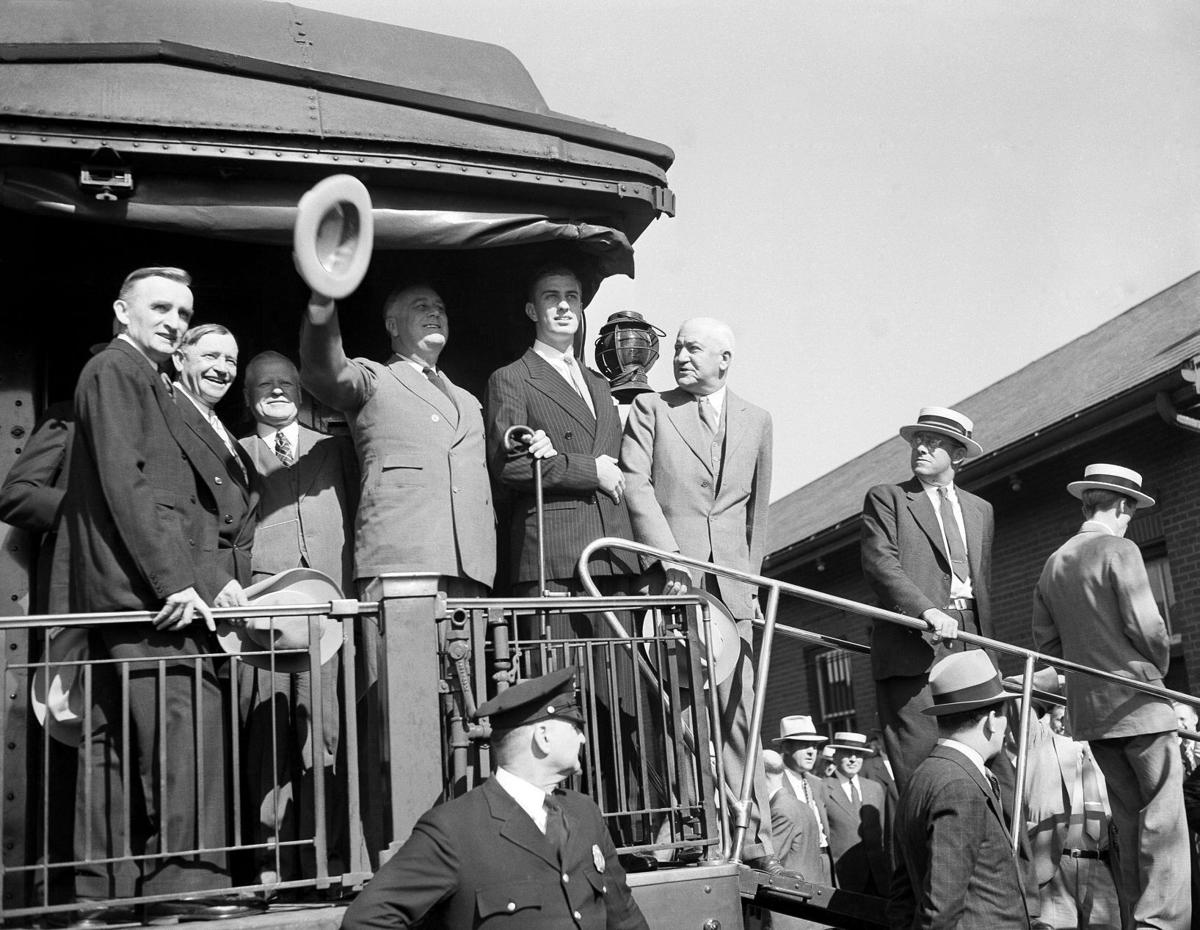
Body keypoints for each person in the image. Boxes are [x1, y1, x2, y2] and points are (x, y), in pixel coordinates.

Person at [60, 268, 257, 921]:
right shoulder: (117, 372)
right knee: (185, 734)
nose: (174, 320)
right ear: (123, 310)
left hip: (137, 593)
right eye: (162, 307)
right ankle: (187, 884)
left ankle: (102, 895)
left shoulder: (137, 376)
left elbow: (162, 500)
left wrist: (204, 581)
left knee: (116, 745)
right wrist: (177, 584)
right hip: (148, 599)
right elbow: (133, 487)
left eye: (183, 310)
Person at [620, 317, 778, 872]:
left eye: (693, 349)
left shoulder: (757, 421)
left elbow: (758, 512)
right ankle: (682, 824)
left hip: (733, 591)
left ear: (725, 359)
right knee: (675, 715)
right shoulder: (652, 409)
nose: (681, 357)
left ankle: (750, 833)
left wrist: (751, 584)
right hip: (672, 584)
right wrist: (669, 561)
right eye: (678, 348)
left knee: (741, 712)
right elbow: (635, 484)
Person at [340, 667, 649, 930]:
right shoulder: (453, 830)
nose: (582, 737)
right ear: (543, 737)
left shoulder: (585, 813)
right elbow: (366, 921)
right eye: (574, 726)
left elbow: (624, 918)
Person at [1031, 464, 1190, 930]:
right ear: (1122, 505)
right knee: (1164, 820)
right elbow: (1149, 627)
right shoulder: (1119, 549)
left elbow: (1047, 643)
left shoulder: (1053, 562)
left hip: (1092, 713)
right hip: (1139, 704)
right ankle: (1161, 923)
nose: (1130, 520)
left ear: (1087, 503)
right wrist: (1155, 668)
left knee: (1127, 820)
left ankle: (1136, 918)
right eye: (1131, 511)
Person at [237, 350, 360, 888]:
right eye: (264, 385)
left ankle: (326, 863)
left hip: (328, 612)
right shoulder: (233, 453)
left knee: (325, 734)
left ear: (303, 391)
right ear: (248, 398)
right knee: (268, 741)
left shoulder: (335, 449)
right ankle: (271, 865)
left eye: (286, 383)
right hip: (264, 615)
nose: (277, 391)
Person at [299, 283, 495, 596]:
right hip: (401, 562)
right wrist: (323, 302)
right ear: (392, 325)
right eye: (421, 305)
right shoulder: (375, 378)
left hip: (471, 567)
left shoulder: (470, 401)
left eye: (440, 307)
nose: (434, 312)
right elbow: (325, 370)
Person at [861, 406, 994, 790]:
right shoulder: (889, 498)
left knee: (987, 763)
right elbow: (882, 566)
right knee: (922, 771)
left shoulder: (981, 510)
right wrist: (928, 610)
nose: (920, 447)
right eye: (917, 439)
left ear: (958, 455)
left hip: (971, 643)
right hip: (914, 642)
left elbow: (983, 585)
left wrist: (991, 658)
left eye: (933, 442)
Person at [485, 264, 636, 595]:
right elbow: (510, 464)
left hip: (616, 554)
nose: (564, 306)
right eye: (551, 297)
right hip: (556, 557)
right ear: (532, 310)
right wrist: (590, 471)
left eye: (572, 297)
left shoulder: (599, 383)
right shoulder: (511, 377)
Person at [889, 650, 1028, 929]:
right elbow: (941, 907)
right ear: (990, 720)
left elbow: (903, 895)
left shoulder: (923, 776)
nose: (1006, 727)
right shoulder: (959, 785)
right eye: (1003, 715)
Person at [1005, 669, 1119, 930]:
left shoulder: (1109, 752)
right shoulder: (1039, 742)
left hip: (1103, 866)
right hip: (1053, 868)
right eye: (1063, 712)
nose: (1069, 718)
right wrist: (1064, 679)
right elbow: (1014, 689)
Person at [821, 731, 890, 895]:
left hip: (878, 878)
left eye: (858, 754)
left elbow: (884, 832)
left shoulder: (874, 788)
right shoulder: (822, 788)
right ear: (836, 756)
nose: (853, 759)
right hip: (843, 878)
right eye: (847, 753)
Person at [771, 716, 832, 884]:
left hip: (824, 862)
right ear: (786, 747)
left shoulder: (816, 784)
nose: (812, 751)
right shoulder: (775, 783)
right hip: (794, 866)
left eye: (814, 746)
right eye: (804, 745)